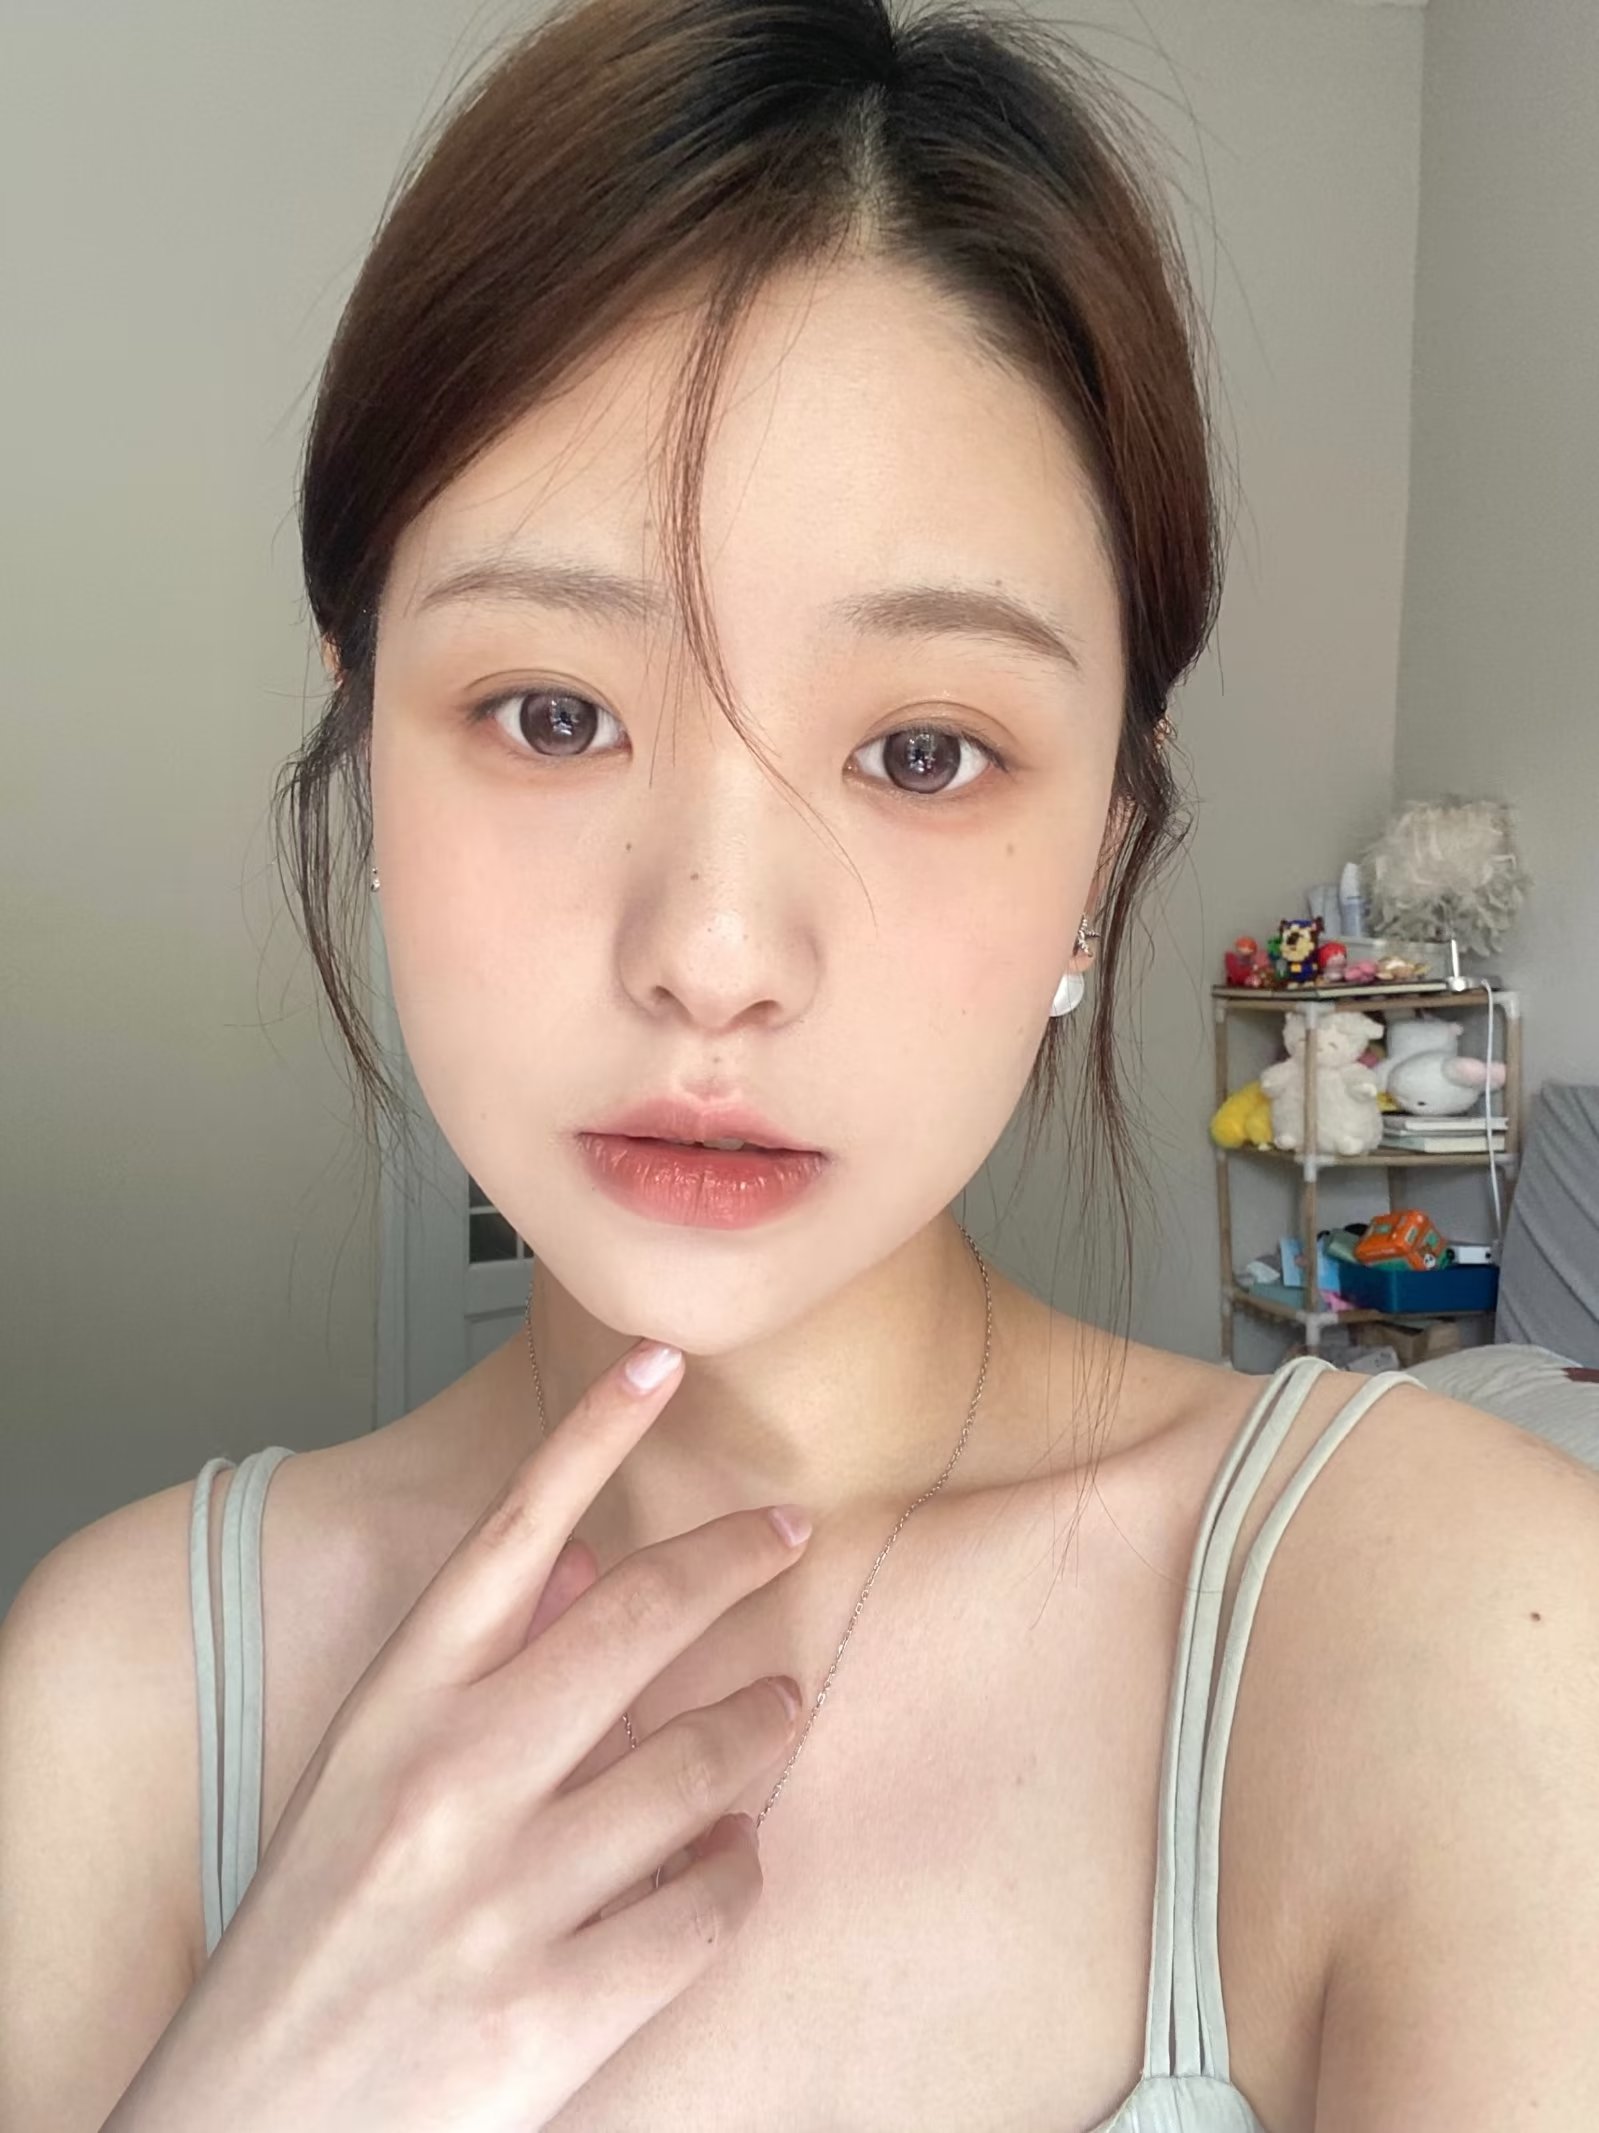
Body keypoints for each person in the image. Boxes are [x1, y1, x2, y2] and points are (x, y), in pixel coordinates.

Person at [3, 2, 1597, 2128]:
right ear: (367, 737)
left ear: (1100, 850)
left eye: (922, 749)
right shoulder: (118, 1706)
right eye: (553, 714)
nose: (716, 955)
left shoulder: (1454, 1631)